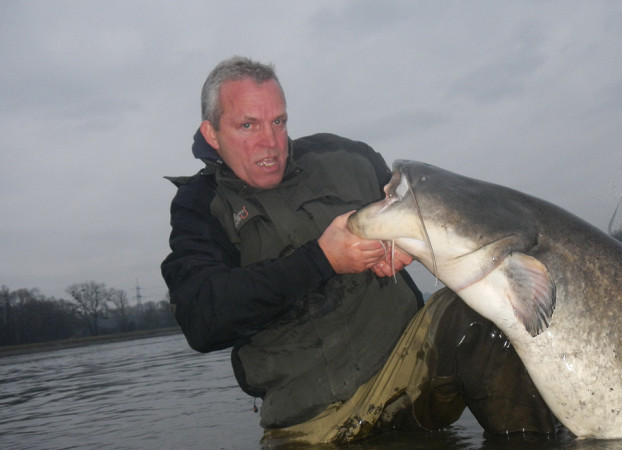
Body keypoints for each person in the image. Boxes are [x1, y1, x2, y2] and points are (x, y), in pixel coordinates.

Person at [162, 56, 554, 446]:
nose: (271, 142)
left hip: (412, 374)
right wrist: (322, 260)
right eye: (247, 125)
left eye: (278, 122)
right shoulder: (200, 207)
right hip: (312, 425)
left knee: (478, 311)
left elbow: (429, 213)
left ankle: (534, 439)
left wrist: (409, 244)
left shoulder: (345, 158)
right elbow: (202, 318)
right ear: (212, 133)